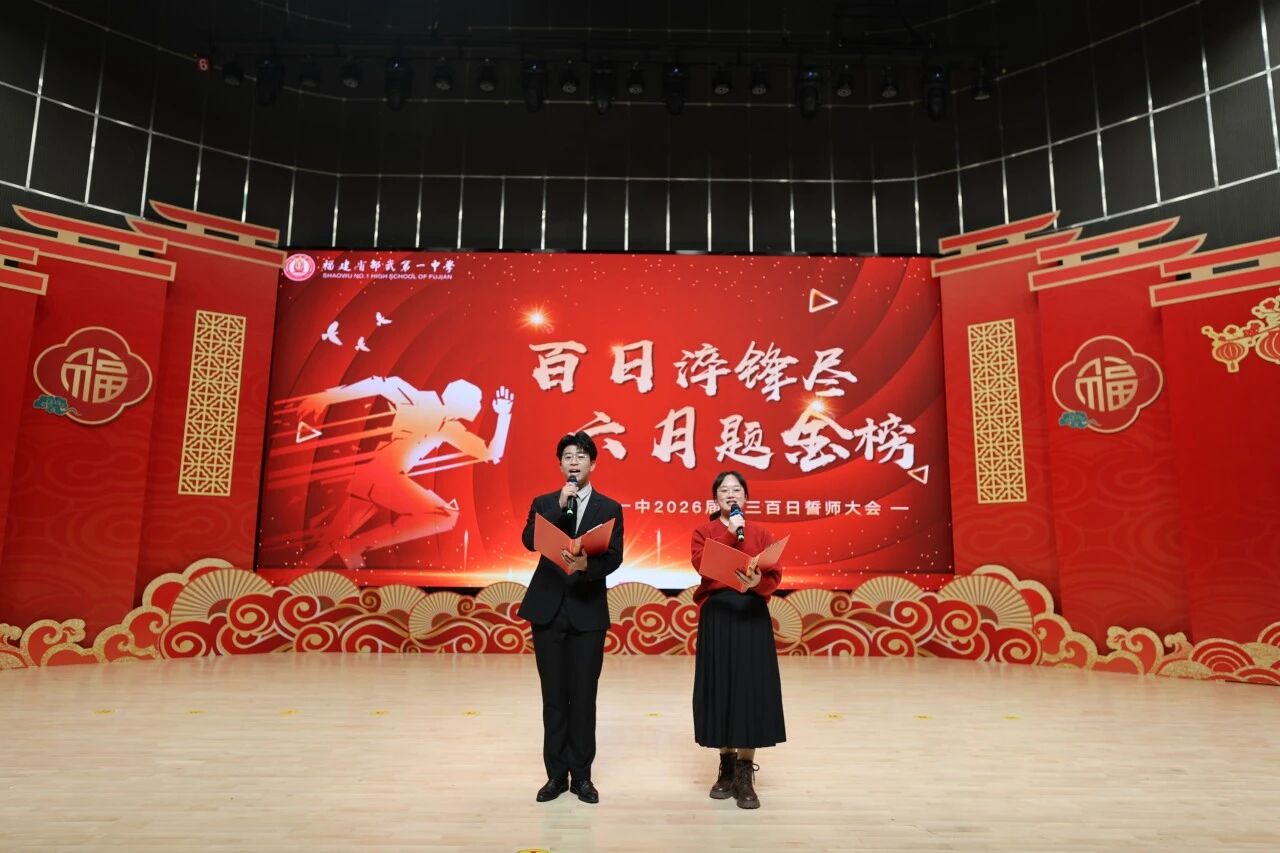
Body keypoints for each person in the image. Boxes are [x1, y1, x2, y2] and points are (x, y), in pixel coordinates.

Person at [518, 432, 624, 805]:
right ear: (560, 465)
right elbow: (529, 540)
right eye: (567, 456)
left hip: (587, 611)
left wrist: (585, 567)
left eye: (580, 456)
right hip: (547, 610)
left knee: (583, 697)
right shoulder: (544, 502)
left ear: (592, 463)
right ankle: (555, 776)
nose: (574, 462)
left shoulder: (610, 507)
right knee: (553, 697)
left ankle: (581, 777)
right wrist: (558, 506)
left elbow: (614, 557)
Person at [690, 470, 786, 810]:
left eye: (736, 490)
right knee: (721, 687)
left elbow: (774, 576)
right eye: (724, 490)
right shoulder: (704, 532)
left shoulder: (761, 533)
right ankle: (726, 765)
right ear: (715, 498)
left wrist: (758, 582)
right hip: (718, 615)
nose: (730, 495)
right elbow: (703, 565)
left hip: (751, 614)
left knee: (749, 689)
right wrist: (730, 534)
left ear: (746, 497)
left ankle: (745, 771)